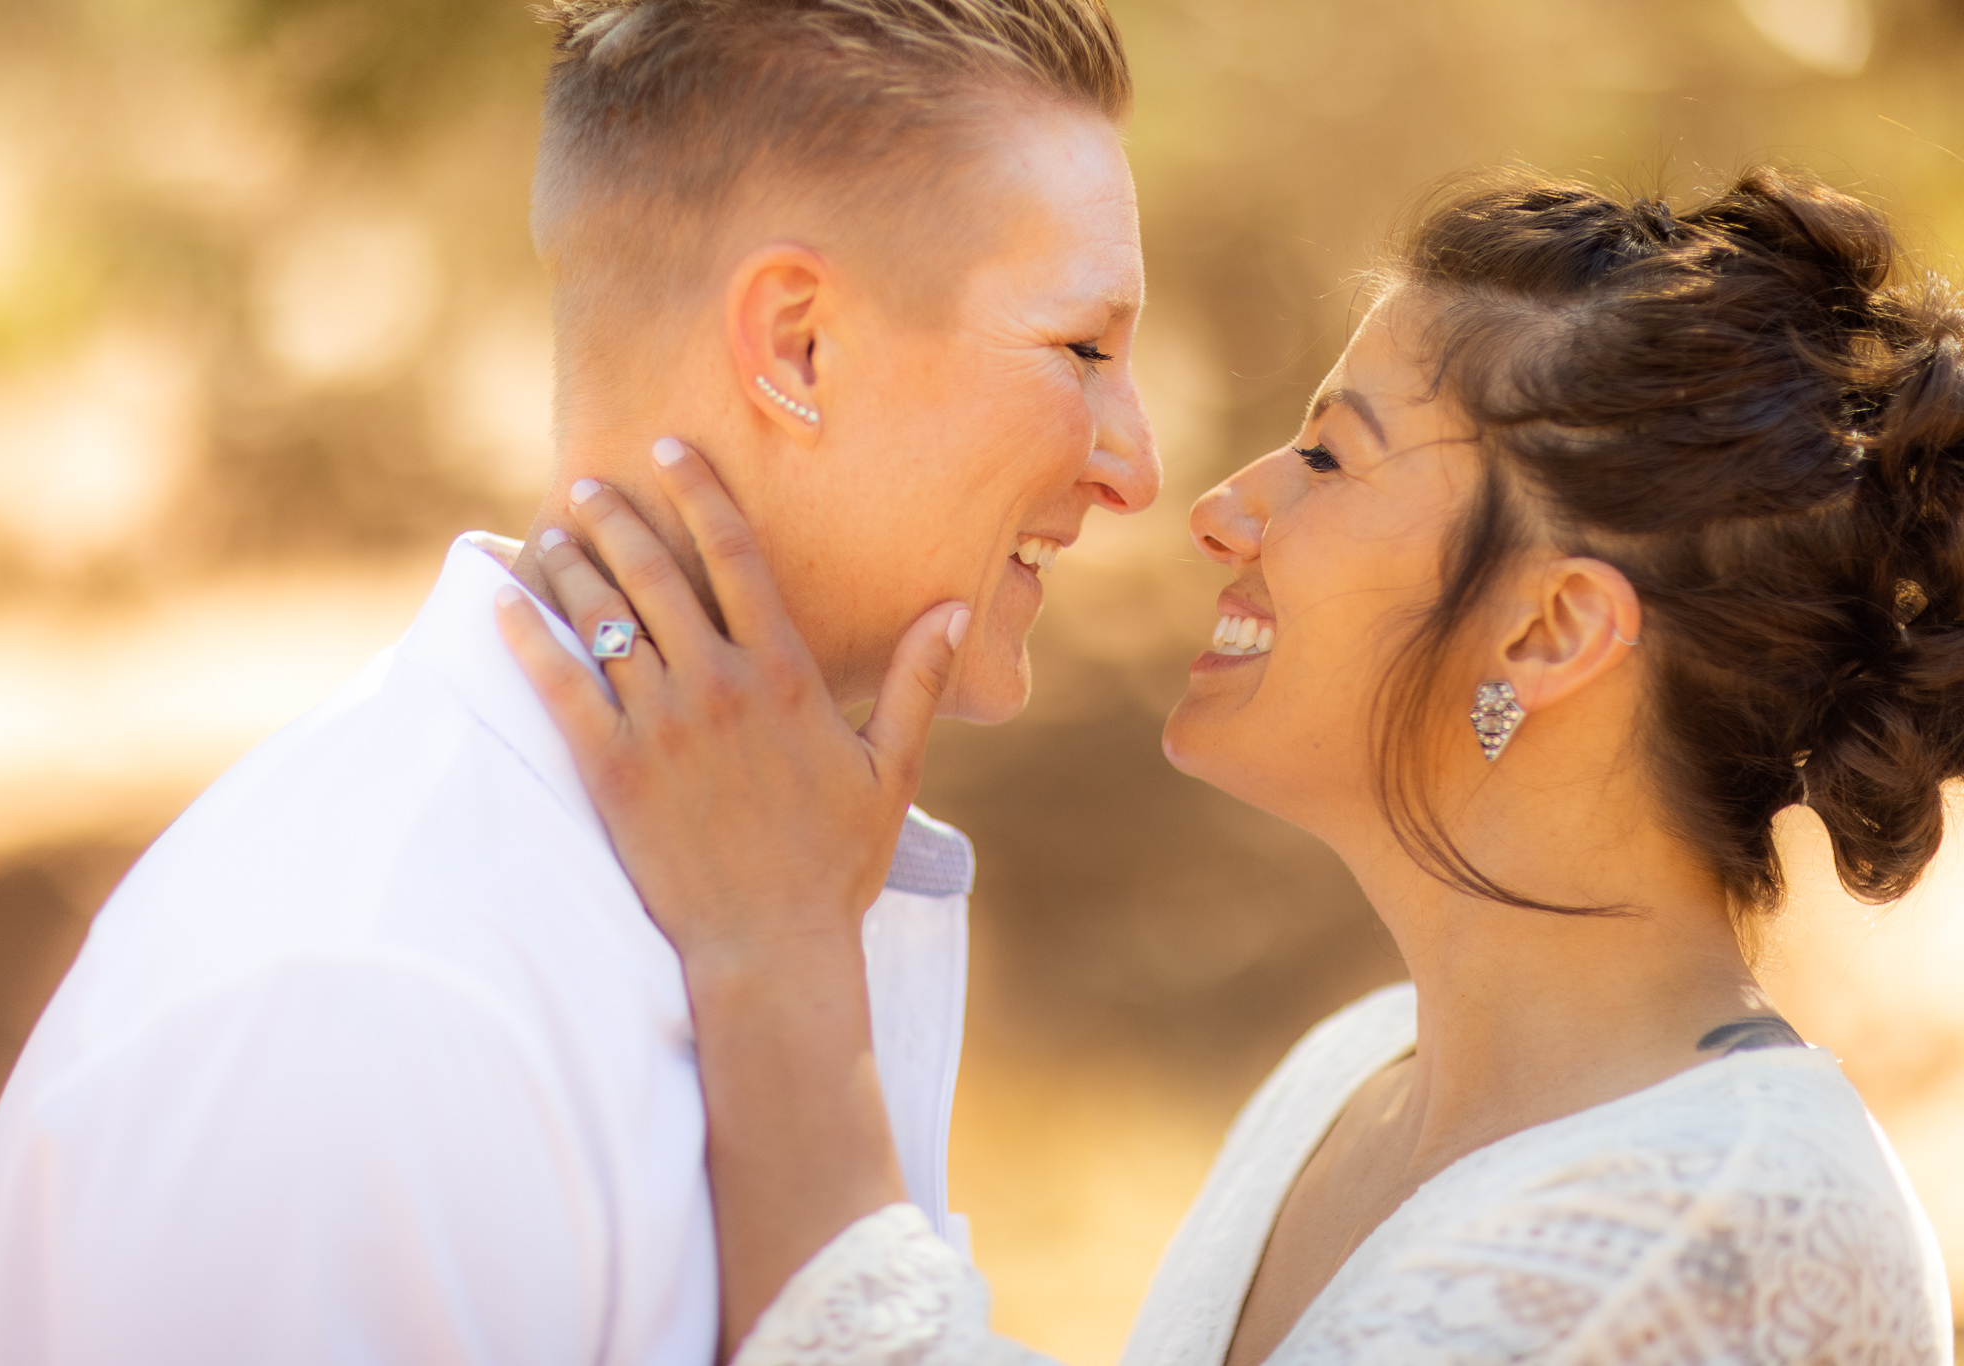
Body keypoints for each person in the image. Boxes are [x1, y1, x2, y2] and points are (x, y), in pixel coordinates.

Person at [502, 166, 1959, 1363]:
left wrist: (775, 951)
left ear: (1550, 627)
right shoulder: (1346, 1079)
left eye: (1327, 459)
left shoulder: (1701, 1240)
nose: (1217, 510)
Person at [0, 1, 1157, 1362]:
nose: (1137, 463)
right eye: (1085, 351)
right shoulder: (368, 1012)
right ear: (798, 346)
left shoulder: (741, 900)